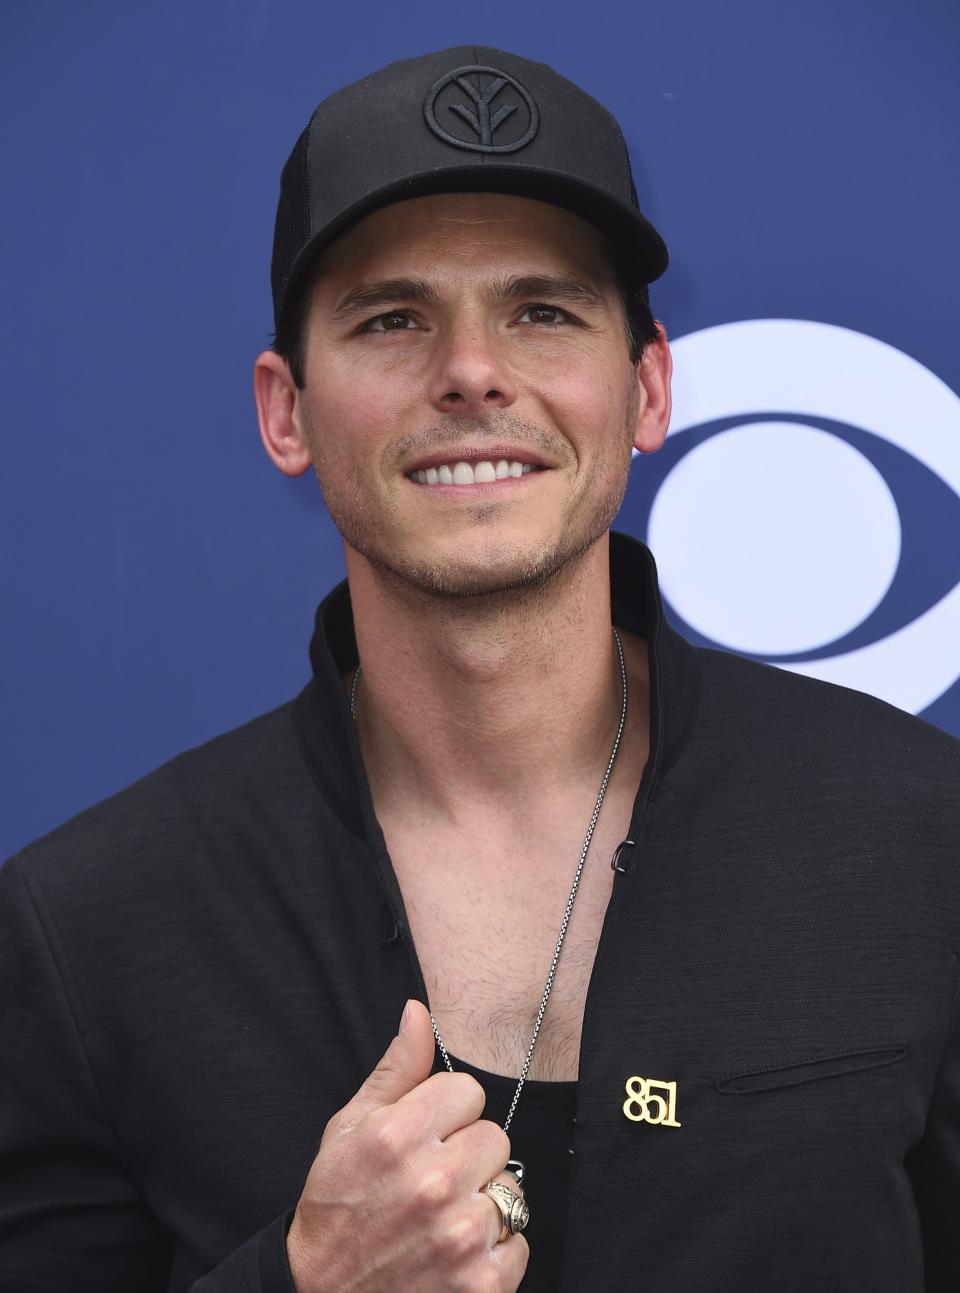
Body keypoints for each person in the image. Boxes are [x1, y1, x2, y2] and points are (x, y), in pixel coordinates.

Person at [1, 43, 959, 1293]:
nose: (472, 372)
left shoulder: (921, 832)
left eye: (544, 311)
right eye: (393, 318)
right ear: (285, 410)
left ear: (648, 387)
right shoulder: (87, 930)